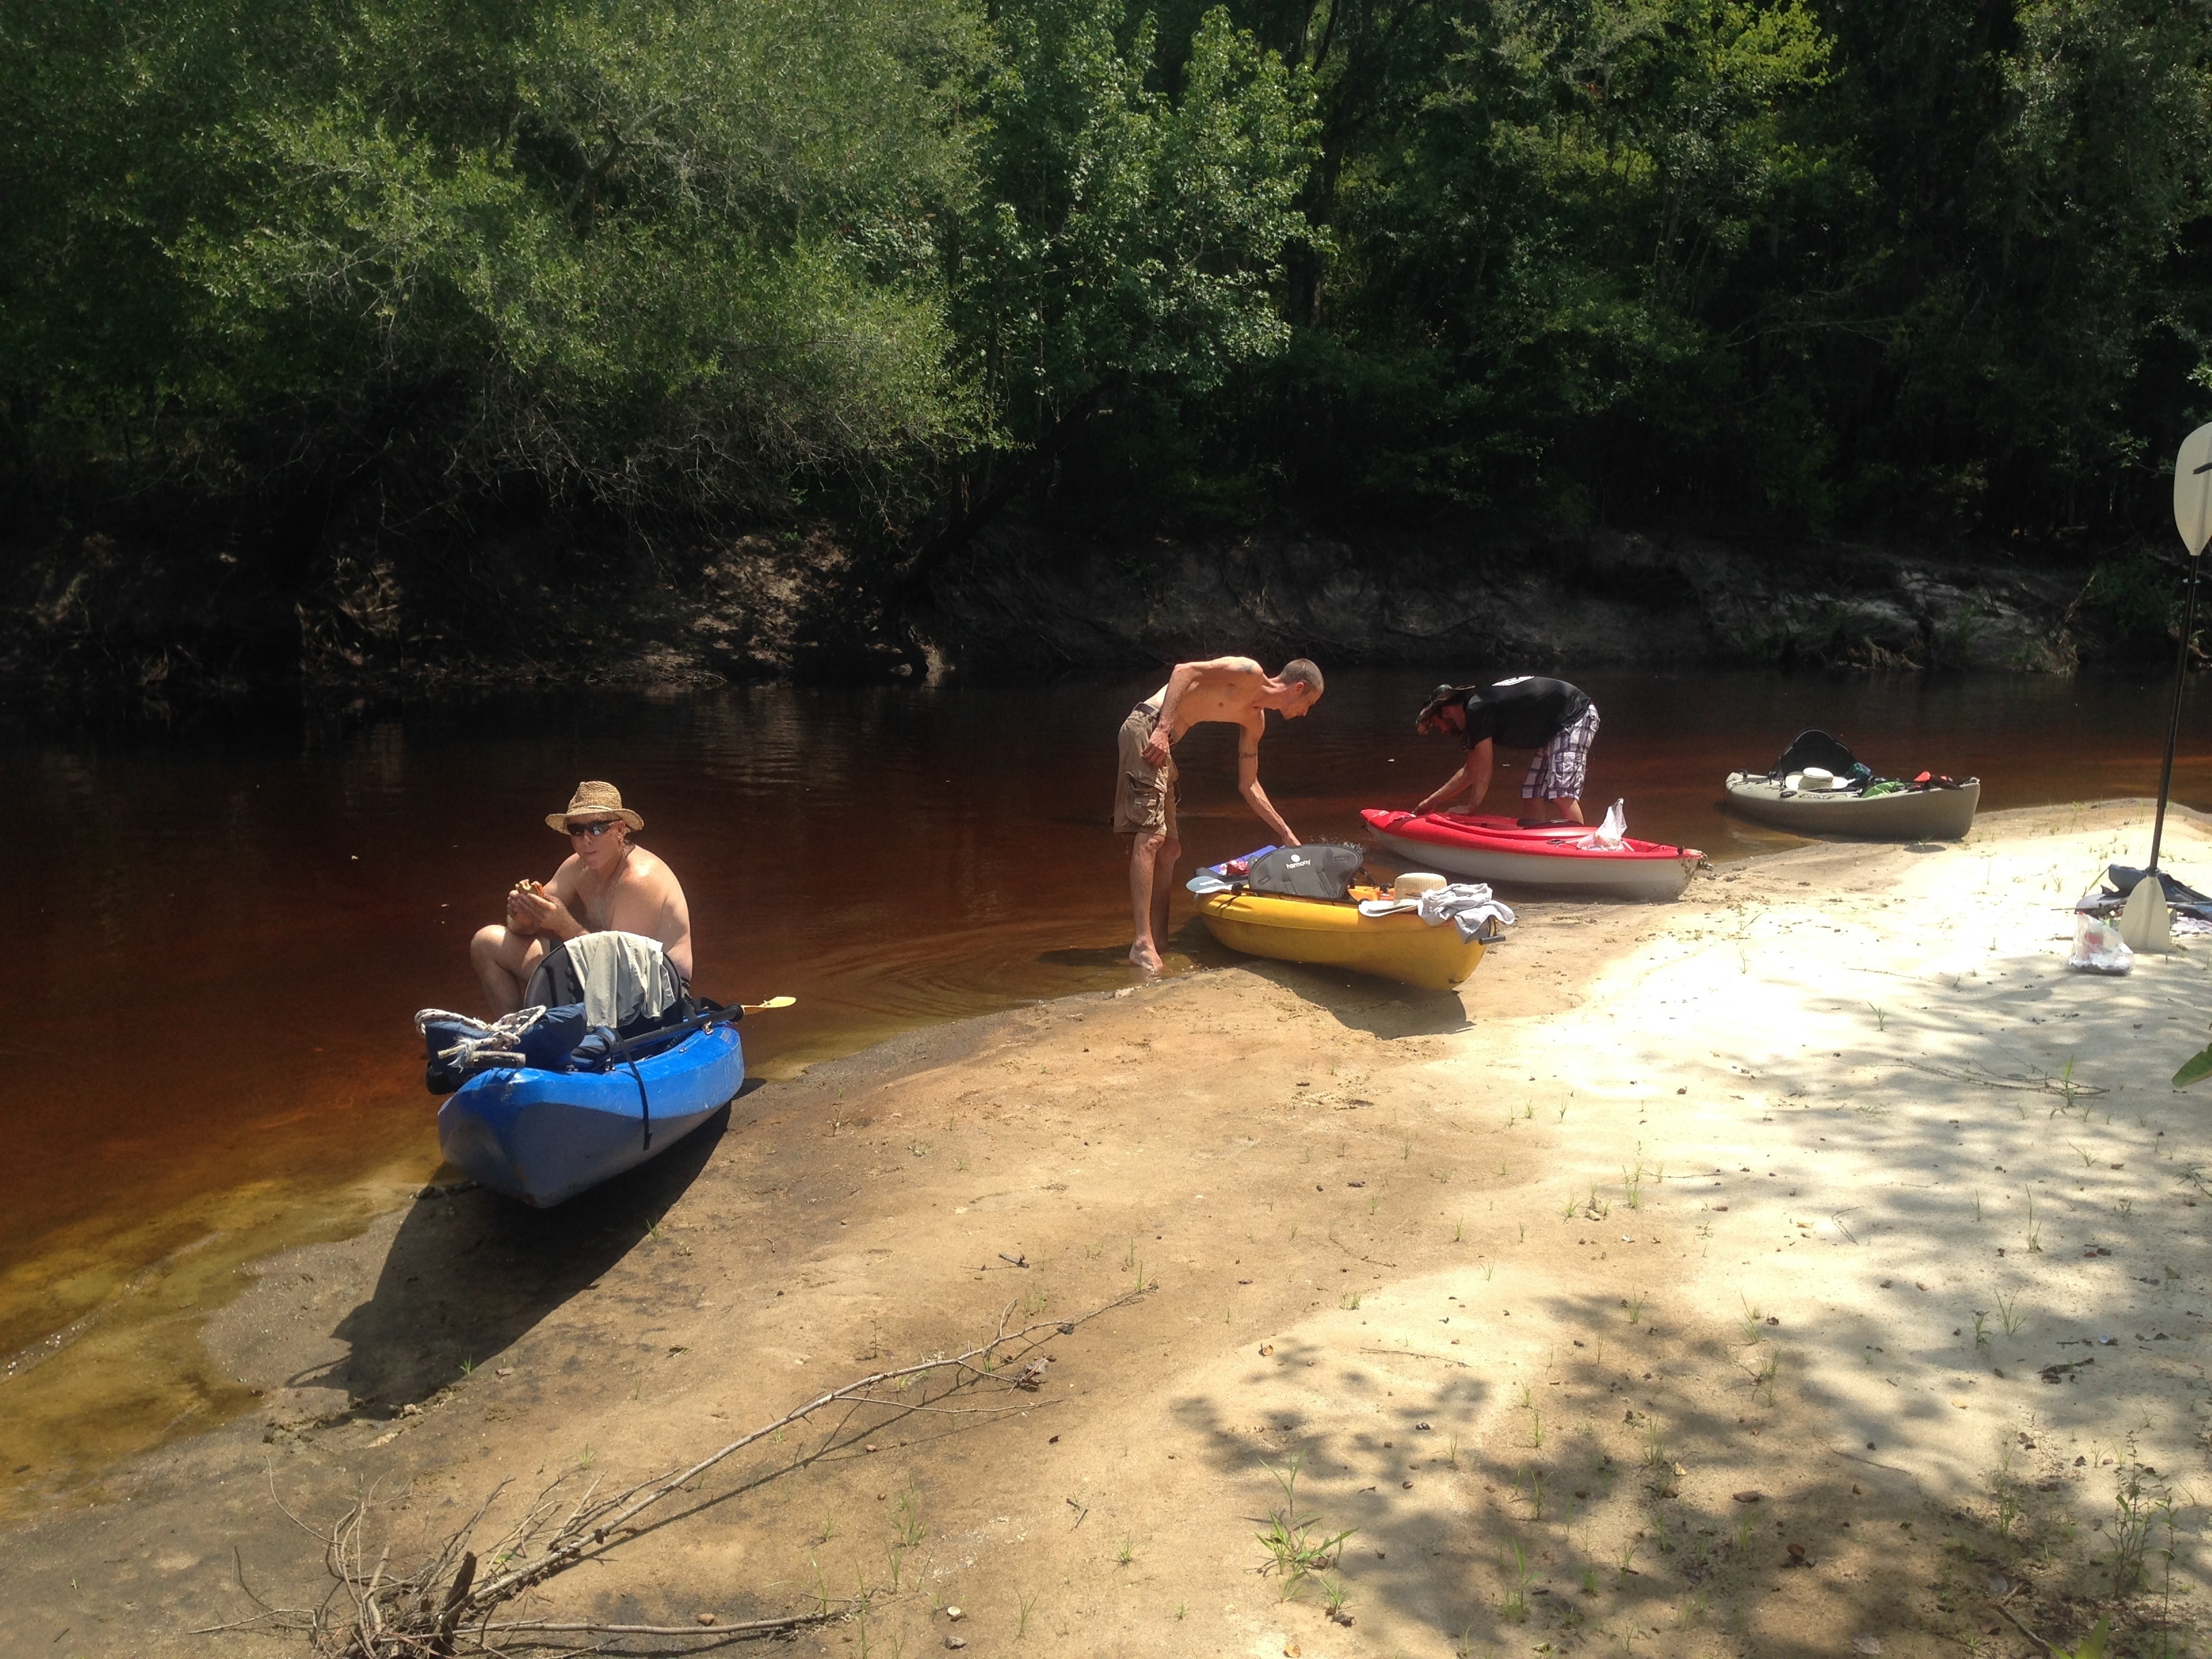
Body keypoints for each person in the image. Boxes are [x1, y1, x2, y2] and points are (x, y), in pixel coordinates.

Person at [1115, 657, 1324, 974]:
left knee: (1171, 849)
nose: (1306, 712)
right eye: (1309, 703)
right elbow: (1183, 671)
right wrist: (1162, 728)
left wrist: (1284, 832)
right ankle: (1141, 944)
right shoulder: (1248, 672)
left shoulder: (1256, 722)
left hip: (1165, 743)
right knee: (1152, 838)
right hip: (1147, 728)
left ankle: (1159, 939)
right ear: (1298, 688)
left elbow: (1249, 784)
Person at [471, 781, 695, 1015]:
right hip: (602, 971)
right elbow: (522, 928)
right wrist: (521, 916)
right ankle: (514, 1035)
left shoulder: (639, 879)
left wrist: (563, 924)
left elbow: (621, 973)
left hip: (655, 992)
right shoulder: (577, 867)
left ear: (620, 830)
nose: (586, 840)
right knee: (486, 943)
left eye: (597, 829)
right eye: (577, 830)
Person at [1413, 676, 1599, 823]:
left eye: (1439, 726)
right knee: (1530, 793)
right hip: (1553, 727)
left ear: (1446, 712)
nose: (1444, 731)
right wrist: (1430, 803)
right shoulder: (1478, 712)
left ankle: (1580, 853)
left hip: (1575, 714)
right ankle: (1535, 848)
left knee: (1561, 793)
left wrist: (1471, 806)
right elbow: (1470, 771)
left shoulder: (1477, 709)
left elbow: (1485, 767)